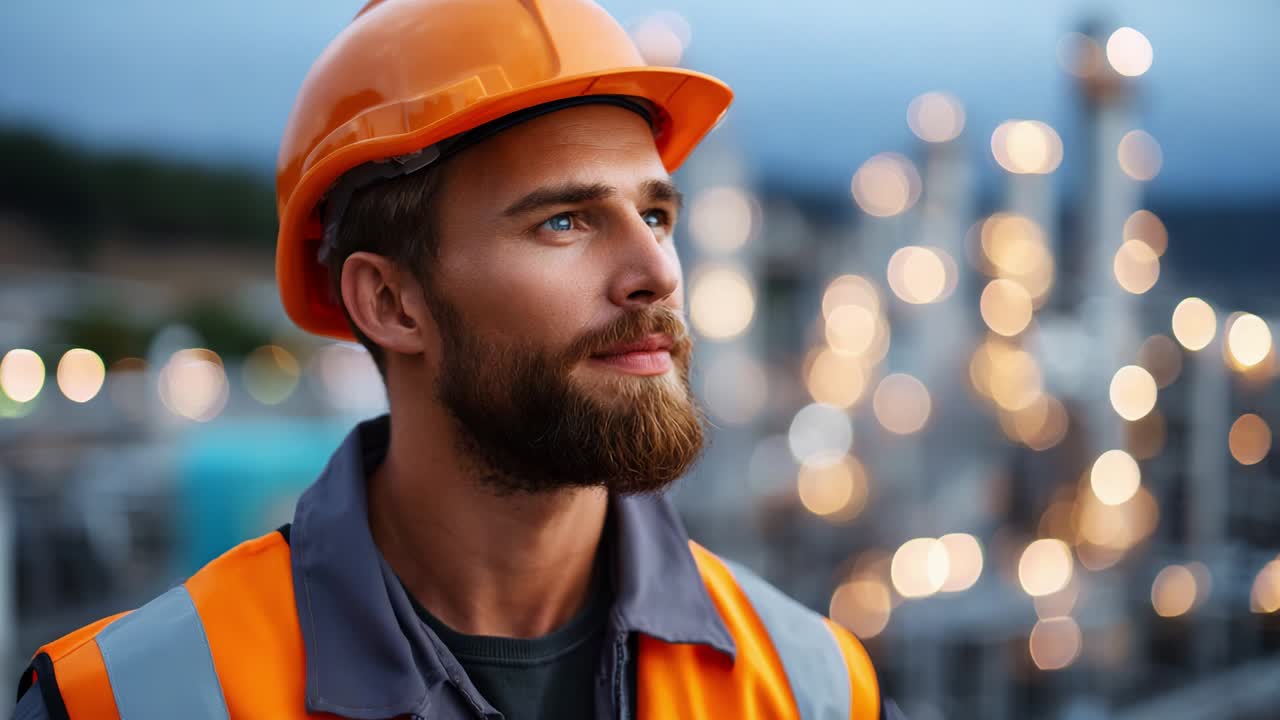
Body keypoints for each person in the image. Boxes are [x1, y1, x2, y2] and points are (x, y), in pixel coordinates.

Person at [15, 1, 900, 718]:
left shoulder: (812, 687)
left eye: (657, 215)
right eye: (565, 220)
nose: (656, 271)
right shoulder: (129, 701)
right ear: (392, 303)